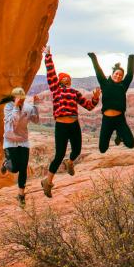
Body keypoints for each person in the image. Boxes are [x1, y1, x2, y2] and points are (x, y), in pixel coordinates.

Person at [41, 46, 100, 198]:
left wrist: (95, 97)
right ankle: (47, 182)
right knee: (59, 155)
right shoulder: (56, 89)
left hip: (74, 124)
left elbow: (89, 106)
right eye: (63, 78)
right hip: (61, 125)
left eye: (68, 78)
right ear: (60, 81)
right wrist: (48, 55)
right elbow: (51, 73)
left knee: (77, 150)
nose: (66, 79)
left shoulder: (75, 92)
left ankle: (70, 161)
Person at [88, 52, 134, 154]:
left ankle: (120, 135)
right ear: (112, 73)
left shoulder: (123, 85)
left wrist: (131, 58)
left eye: (120, 75)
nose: (118, 76)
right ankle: (119, 134)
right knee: (102, 149)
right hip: (107, 120)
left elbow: (130, 74)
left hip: (120, 119)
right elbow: (98, 71)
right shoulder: (104, 83)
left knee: (130, 144)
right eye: (116, 74)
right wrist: (93, 57)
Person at [0, 87, 40, 207]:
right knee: (15, 168)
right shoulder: (8, 107)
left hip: (23, 141)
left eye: (22, 99)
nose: (21, 101)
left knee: (23, 169)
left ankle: (21, 195)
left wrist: (35, 106)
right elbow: (14, 122)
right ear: (13, 98)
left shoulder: (27, 106)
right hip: (10, 141)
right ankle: (6, 164)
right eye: (19, 99)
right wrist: (16, 106)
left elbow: (36, 120)